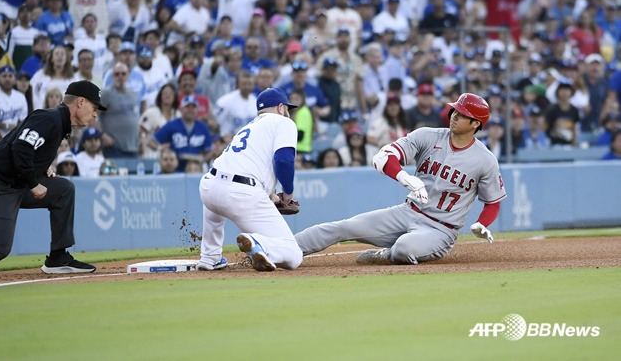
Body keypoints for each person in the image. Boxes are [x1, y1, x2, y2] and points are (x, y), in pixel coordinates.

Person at [295, 93, 507, 265]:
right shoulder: (428, 136)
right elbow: (384, 157)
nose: (454, 115)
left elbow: (493, 202)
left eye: (462, 114)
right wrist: (403, 176)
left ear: (475, 124)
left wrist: (482, 223)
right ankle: (284, 249)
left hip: (440, 229)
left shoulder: (485, 159)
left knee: (404, 249)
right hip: (407, 212)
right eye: (455, 110)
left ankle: (386, 255)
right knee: (344, 227)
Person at [0, 80, 105, 273]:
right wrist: (33, 183)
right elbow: (20, 147)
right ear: (80, 102)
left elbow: (26, 149)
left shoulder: (59, 123)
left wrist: (40, 169)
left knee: (64, 189)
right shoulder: (50, 118)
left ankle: (58, 258)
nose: (95, 114)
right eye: (94, 108)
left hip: (14, 183)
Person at [199, 87, 303, 272]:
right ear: (281, 108)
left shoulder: (249, 127)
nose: (288, 113)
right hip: (241, 193)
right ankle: (259, 243)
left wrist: (270, 195)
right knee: (294, 254)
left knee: (215, 208)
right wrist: (287, 193)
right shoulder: (283, 122)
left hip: (209, 186)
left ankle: (209, 257)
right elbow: (284, 161)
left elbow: (243, 167)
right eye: (287, 109)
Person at [150, 95, 212, 172]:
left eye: (193, 107)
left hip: (195, 169)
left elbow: (209, 151)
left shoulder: (203, 127)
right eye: (187, 107)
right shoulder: (172, 125)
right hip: (175, 169)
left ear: (197, 109)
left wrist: (202, 159)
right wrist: (159, 148)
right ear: (181, 109)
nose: (190, 110)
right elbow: (151, 141)